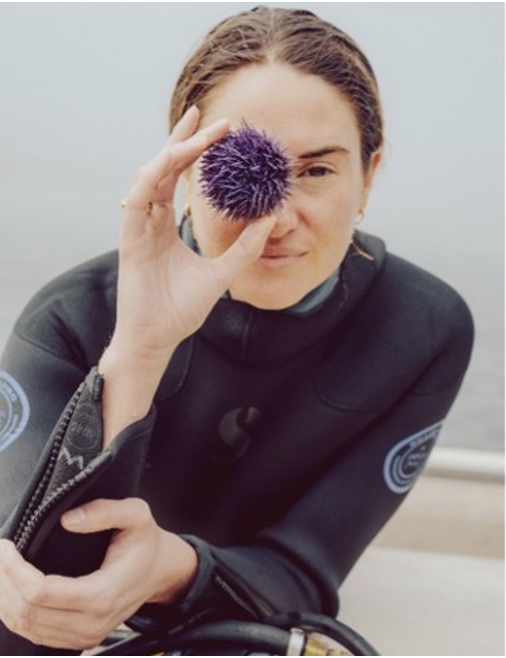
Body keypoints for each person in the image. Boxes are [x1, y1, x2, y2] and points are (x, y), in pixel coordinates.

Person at [0, 6, 474, 655]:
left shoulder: (421, 329)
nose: (275, 221)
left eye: (316, 171)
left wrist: (170, 566)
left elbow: (306, 570)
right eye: (242, 170)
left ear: (370, 172)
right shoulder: (69, 319)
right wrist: (140, 347)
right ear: (184, 167)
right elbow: (33, 600)